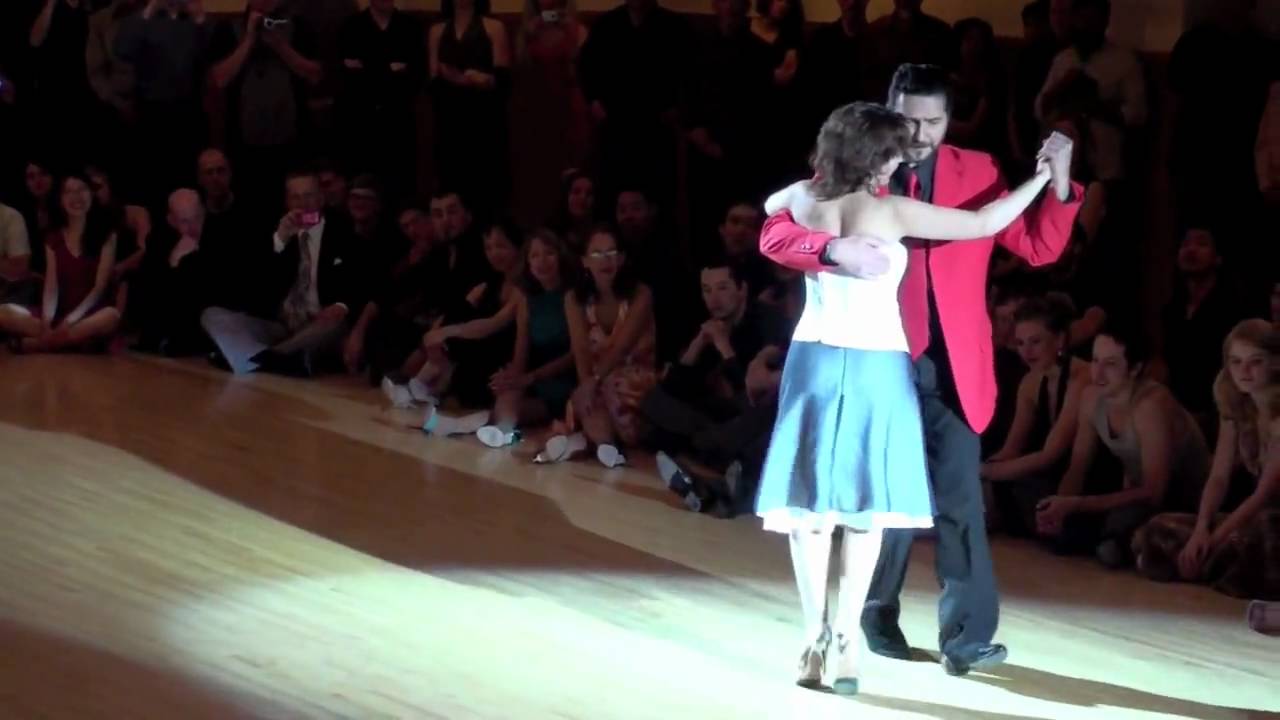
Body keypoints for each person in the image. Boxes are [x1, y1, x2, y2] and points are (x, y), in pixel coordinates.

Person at [758, 63, 1081, 677]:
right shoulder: (843, 184)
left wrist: (1055, 184)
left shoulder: (975, 172)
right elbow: (773, 230)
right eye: (911, 120)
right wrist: (827, 251)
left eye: (935, 121)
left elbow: (1031, 244)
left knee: (948, 499)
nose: (923, 133)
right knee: (865, 505)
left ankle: (960, 636)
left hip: (949, 361)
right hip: (881, 358)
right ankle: (865, 620)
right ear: (886, 116)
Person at [1132, 320, 1279, 600]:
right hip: (1251, 519)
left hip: (1271, 522)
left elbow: (1264, 495)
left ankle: (1208, 565)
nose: (1243, 372)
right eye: (1236, 362)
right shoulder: (1236, 406)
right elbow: (1219, 476)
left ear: (1274, 363)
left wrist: (1213, 540)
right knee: (1158, 528)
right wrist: (1201, 529)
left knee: (1257, 539)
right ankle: (1207, 565)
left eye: (1255, 362)